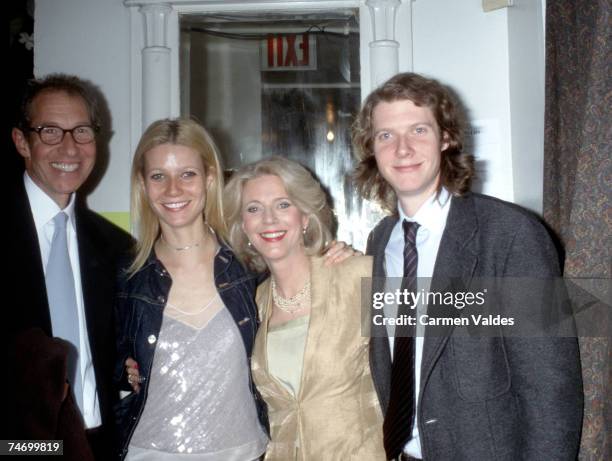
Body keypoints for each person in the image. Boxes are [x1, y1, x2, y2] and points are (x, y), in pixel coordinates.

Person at [352, 72, 583, 460]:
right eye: (386, 135)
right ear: (371, 149)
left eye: (419, 130)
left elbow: (550, 389)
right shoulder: (379, 243)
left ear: (447, 138)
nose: (402, 149)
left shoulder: (511, 235)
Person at [114, 118, 269, 461]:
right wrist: (121, 368)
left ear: (210, 178)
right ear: (143, 184)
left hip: (243, 453)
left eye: (187, 174)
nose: (173, 190)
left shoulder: (252, 267)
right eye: (158, 176)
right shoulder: (125, 277)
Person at [223, 156, 386, 460]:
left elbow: (476, 309)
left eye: (283, 205)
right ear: (243, 226)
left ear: (306, 217)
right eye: (254, 209)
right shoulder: (251, 304)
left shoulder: (357, 276)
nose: (269, 219)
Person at [6, 74, 134, 460]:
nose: (70, 147)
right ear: (21, 141)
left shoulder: (116, 248)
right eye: (49, 131)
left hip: (99, 445)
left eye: (81, 131)